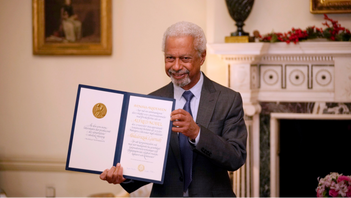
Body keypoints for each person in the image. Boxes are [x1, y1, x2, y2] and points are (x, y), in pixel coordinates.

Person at [100, 21, 247, 198]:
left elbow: (235, 158)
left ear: (202, 57)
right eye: (170, 58)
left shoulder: (228, 100)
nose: (176, 66)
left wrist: (197, 133)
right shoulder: (150, 103)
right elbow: (145, 166)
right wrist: (123, 177)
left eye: (185, 58)